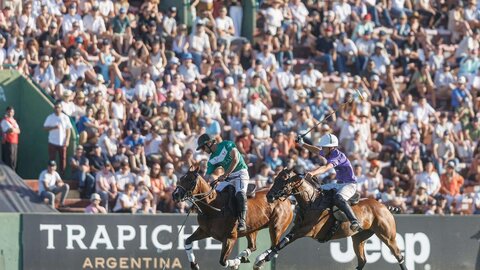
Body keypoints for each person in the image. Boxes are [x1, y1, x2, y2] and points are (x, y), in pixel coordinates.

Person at [297, 133, 362, 232]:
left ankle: (354, 221)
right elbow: (316, 150)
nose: (322, 149)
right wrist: (302, 144)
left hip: (349, 184)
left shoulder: (338, 156)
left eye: (324, 147)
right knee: (316, 191)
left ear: (331, 148)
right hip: (338, 184)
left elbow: (326, 167)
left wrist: (313, 173)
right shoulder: (328, 152)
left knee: (338, 198)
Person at [196, 133, 249, 232]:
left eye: (203, 148)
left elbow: (235, 160)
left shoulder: (227, 144)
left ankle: (242, 221)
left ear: (209, 143)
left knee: (240, 193)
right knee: (215, 194)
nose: (203, 150)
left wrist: (225, 175)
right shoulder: (212, 159)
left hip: (241, 173)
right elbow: (206, 177)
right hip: (229, 177)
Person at [43, 101, 72, 175]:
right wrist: (53, 127)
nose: (57, 109)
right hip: (52, 142)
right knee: (52, 159)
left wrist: (67, 140)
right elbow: (45, 128)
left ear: (61, 108)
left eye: (59, 107)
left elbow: (68, 129)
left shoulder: (65, 117)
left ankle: (62, 175)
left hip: (62, 142)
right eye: (56, 107)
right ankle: (51, 174)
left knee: (63, 159)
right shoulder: (50, 117)